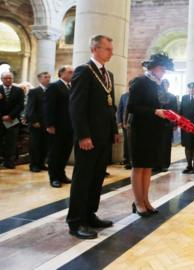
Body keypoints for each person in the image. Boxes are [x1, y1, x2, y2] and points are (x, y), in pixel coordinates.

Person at [67, 35, 120, 239]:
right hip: (88, 138)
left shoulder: (109, 74)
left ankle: (90, 215)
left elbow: (110, 106)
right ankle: (75, 221)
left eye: (111, 48)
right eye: (107, 49)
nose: (111, 52)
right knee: (83, 178)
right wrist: (83, 135)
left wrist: (114, 130)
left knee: (97, 177)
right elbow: (76, 107)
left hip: (104, 136)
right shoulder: (84, 71)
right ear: (95, 49)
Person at [128, 52, 174, 217]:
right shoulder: (140, 82)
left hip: (154, 130)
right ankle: (138, 202)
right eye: (162, 69)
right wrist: (155, 111)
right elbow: (132, 107)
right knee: (138, 166)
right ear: (153, 68)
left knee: (148, 167)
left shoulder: (159, 85)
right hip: (140, 129)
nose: (163, 72)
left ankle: (146, 200)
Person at [44, 66, 74, 188]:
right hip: (57, 126)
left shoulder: (72, 87)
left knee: (65, 152)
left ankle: (61, 174)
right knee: (55, 153)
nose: (73, 74)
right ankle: (54, 177)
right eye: (70, 72)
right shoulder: (54, 86)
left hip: (70, 126)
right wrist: (49, 124)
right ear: (61, 74)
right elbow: (48, 107)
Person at [26, 72, 51, 172]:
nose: (48, 79)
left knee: (45, 145)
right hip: (36, 123)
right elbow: (30, 108)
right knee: (35, 145)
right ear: (39, 79)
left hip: (47, 123)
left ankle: (41, 163)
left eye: (49, 77)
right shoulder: (34, 91)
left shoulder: (51, 91)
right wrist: (33, 121)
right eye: (45, 77)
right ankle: (34, 165)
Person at [0, 71, 25, 169]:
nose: (8, 80)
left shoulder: (18, 90)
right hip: (0, 120)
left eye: (10, 78)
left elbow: (20, 105)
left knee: (12, 141)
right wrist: (2, 116)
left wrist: (10, 116)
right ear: (2, 79)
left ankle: (9, 162)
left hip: (12, 120)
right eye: (6, 78)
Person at [155, 79, 178, 172]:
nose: (163, 86)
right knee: (156, 145)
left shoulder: (172, 97)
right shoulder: (155, 96)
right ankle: (155, 164)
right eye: (162, 85)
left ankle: (164, 164)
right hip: (155, 124)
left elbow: (174, 112)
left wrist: (174, 123)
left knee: (165, 145)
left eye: (165, 85)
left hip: (166, 124)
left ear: (168, 86)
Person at [117, 81, 132, 170]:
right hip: (124, 123)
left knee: (131, 143)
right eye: (129, 86)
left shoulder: (138, 96)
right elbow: (120, 109)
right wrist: (119, 121)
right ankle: (126, 159)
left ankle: (131, 160)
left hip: (133, 123)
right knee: (126, 142)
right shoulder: (124, 96)